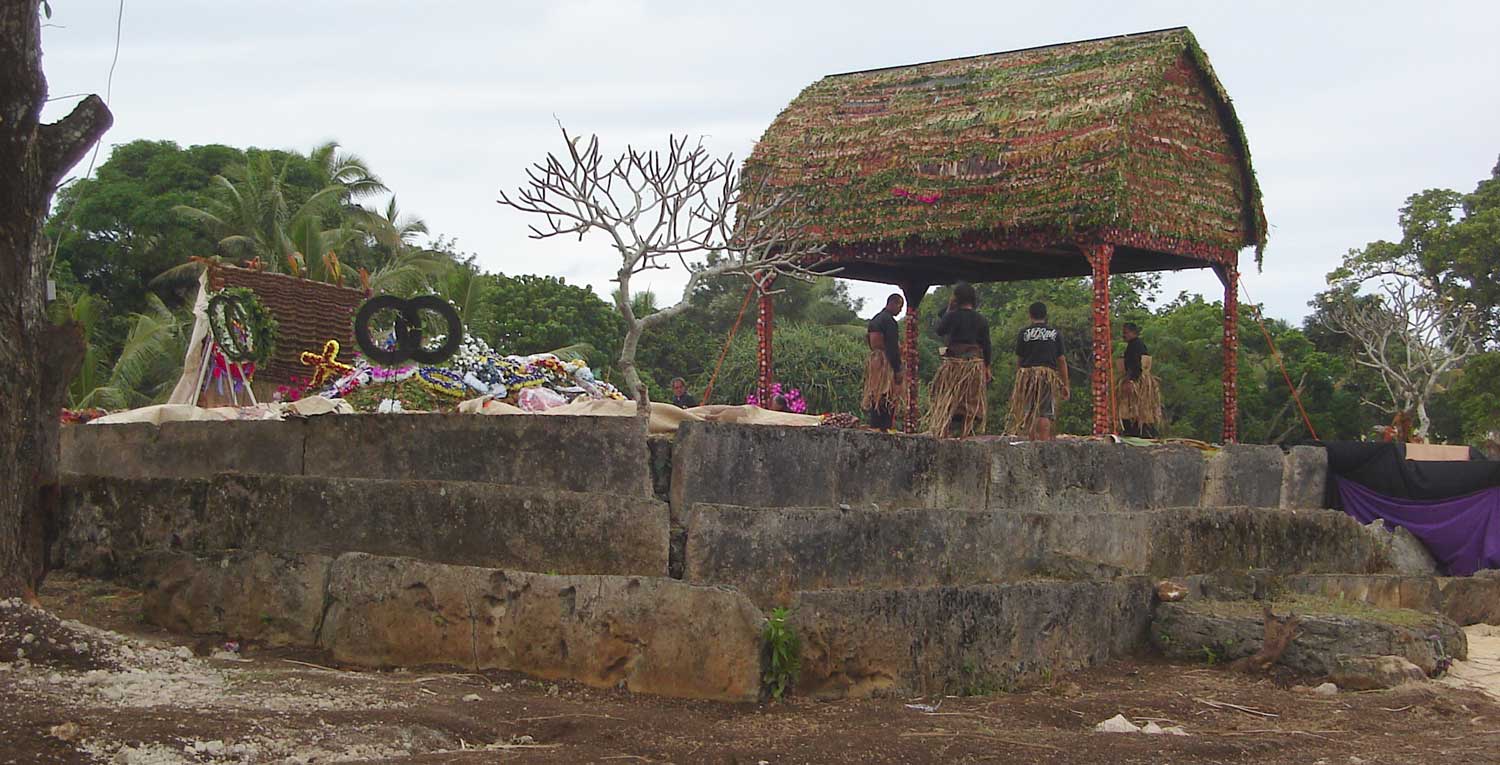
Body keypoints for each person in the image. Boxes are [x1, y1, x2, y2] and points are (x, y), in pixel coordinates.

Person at [925, 282, 992, 438]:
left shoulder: (952, 316)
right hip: (973, 364)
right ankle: (965, 434)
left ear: (957, 298)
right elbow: (986, 345)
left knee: (948, 398)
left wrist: (950, 308)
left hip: (954, 363)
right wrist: (987, 366)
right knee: (971, 400)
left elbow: (940, 330)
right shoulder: (981, 319)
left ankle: (944, 432)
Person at [1005, 301, 1069, 440]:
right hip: (1047, 375)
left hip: (1028, 375)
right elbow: (1061, 360)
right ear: (1046, 315)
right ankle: (1043, 444)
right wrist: (1065, 384)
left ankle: (1032, 444)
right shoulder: (1054, 333)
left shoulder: (1024, 333)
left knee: (1029, 411)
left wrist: (1019, 380)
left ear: (1030, 315)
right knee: (1045, 413)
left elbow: (1020, 360)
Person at [862, 293, 905, 430]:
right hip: (884, 362)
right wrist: (898, 369)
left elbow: (868, 339)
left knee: (876, 393)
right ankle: (883, 427)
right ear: (893, 303)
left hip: (875, 360)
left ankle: (875, 425)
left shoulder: (875, 319)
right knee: (886, 395)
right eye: (900, 306)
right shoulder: (889, 321)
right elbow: (892, 347)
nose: (900, 311)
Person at [1116, 322, 1162, 438]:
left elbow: (1138, 365)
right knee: (1133, 408)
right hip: (1135, 379)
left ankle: (1139, 431)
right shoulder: (1134, 345)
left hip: (1137, 381)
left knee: (1137, 408)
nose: (1123, 335)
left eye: (1125, 333)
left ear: (1133, 332)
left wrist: (1130, 381)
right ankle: (1134, 431)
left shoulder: (1136, 345)